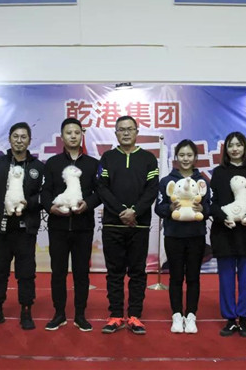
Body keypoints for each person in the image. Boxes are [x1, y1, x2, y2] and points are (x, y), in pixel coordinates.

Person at [0, 122, 45, 330]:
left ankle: (26, 310)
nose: (19, 140)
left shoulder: (38, 167)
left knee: (26, 273)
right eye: (15, 136)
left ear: (30, 140)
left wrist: (28, 203)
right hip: (1, 229)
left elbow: (44, 196)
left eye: (23, 137)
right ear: (9, 139)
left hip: (26, 229)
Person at [97, 115, 159, 335]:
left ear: (136, 132)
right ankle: (115, 315)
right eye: (121, 129)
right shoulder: (108, 158)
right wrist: (121, 212)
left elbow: (152, 189)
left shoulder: (148, 159)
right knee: (114, 273)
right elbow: (102, 188)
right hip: (113, 225)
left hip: (139, 226)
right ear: (115, 133)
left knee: (137, 272)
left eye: (129, 129)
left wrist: (135, 211)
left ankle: (134, 316)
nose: (125, 133)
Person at [41, 118, 101, 332]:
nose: (73, 136)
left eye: (77, 132)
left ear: (82, 135)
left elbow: (100, 191)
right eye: (69, 132)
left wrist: (88, 204)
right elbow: (45, 191)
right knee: (58, 272)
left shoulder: (93, 164)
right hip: (58, 226)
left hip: (83, 227)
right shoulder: (53, 163)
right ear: (62, 136)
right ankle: (59, 314)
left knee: (81, 273)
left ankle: (80, 315)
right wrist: (50, 208)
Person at [209, 132, 246, 338]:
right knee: (226, 278)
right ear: (226, 149)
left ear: (244, 148)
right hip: (223, 233)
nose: (235, 149)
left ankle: (243, 318)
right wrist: (222, 217)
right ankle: (229, 319)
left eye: (239, 145)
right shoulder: (219, 173)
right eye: (231, 145)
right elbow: (212, 203)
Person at [154, 139, 210, 334]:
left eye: (189, 155)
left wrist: (203, 209)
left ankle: (191, 315)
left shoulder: (202, 182)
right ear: (176, 157)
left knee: (193, 277)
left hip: (196, 235)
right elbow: (158, 208)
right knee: (176, 277)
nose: (186, 159)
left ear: (195, 157)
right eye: (182, 155)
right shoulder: (166, 182)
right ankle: (177, 315)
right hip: (173, 235)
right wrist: (170, 208)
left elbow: (210, 207)